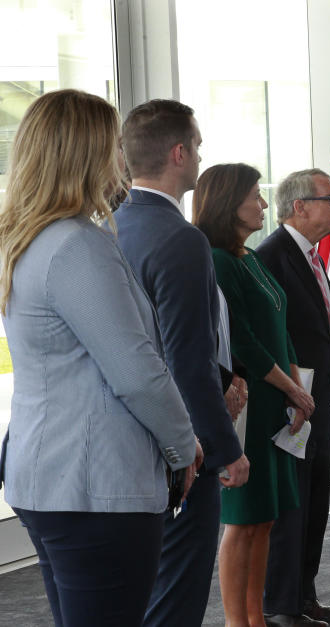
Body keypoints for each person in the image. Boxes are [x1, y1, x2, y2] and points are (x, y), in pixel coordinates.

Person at [0, 89, 201, 627]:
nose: (121, 158)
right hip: (94, 487)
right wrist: (184, 447)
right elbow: (136, 372)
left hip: (51, 478)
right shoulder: (75, 245)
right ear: (84, 153)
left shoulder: (26, 239)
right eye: (112, 145)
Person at [114, 99, 250, 627]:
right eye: (196, 144)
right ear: (178, 153)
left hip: (130, 444)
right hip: (182, 453)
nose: (200, 154)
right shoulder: (180, 238)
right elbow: (186, 359)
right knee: (176, 596)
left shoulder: (114, 226)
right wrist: (224, 450)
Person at [193, 163, 315, 627]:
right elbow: (241, 339)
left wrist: (296, 389)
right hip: (253, 401)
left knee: (264, 518)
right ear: (229, 202)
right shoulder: (218, 260)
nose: (264, 204)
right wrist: (290, 388)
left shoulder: (249, 255)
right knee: (242, 520)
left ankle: (254, 618)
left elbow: (277, 328)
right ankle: (234, 621)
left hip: (278, 402)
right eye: (255, 197)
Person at [257, 169, 330, 626]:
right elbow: (269, 336)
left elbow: (320, 331)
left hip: (318, 398)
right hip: (291, 404)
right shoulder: (272, 256)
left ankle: (303, 595)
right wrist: (294, 393)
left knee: (314, 504)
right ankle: (280, 604)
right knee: (292, 507)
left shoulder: (310, 255)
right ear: (300, 207)